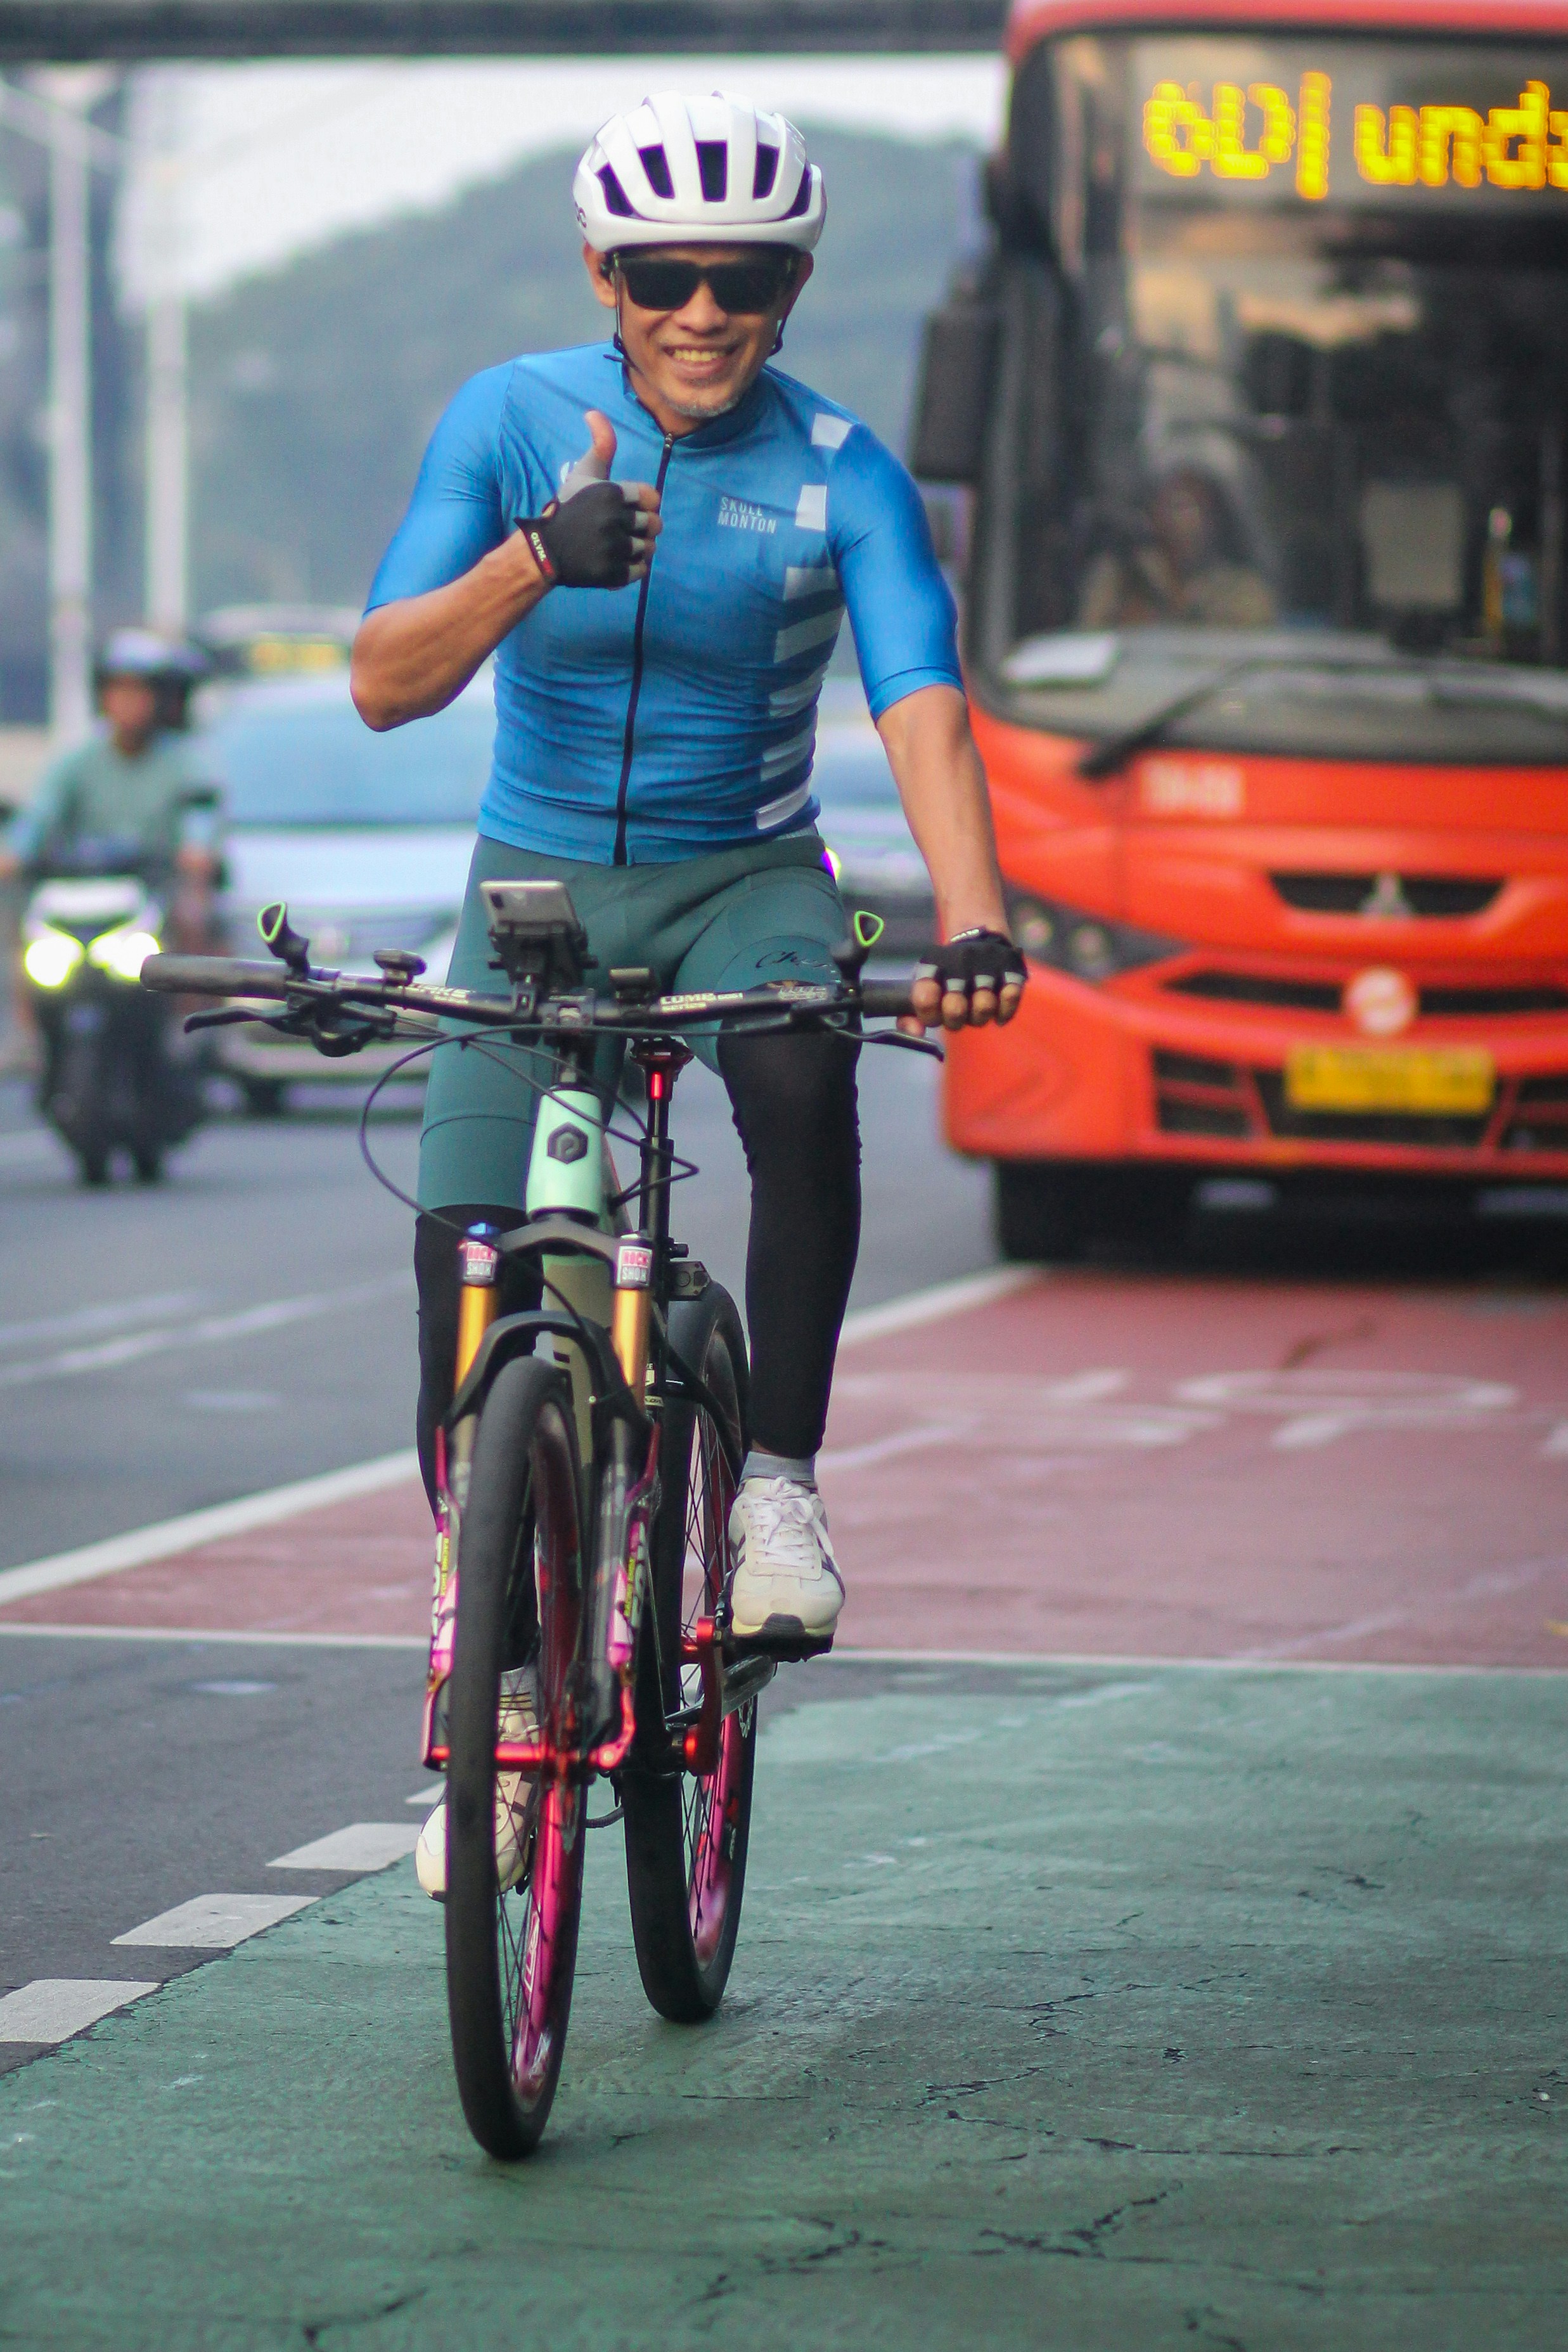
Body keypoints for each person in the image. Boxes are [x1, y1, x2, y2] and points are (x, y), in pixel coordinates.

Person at [353, 91, 1024, 1705]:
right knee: (465, 1246)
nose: (702, 313)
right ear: (604, 273)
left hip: (746, 877)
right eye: (664, 277)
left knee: (802, 1076)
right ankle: (494, 1600)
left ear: (790, 287)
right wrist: (537, 556)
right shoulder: (508, 418)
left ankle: (778, 1488)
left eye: (742, 277)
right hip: (535, 885)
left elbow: (920, 694)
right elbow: (383, 681)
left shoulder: (843, 468)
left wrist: (978, 914)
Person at [1077, 465, 1276, 631]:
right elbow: (1090, 634)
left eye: (1195, 507)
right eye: (1175, 506)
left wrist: (1176, 597)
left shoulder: (1241, 587)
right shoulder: (1121, 576)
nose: (1184, 520)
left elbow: (1251, 637)